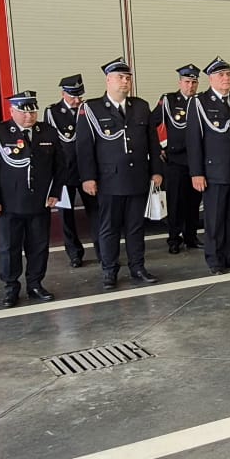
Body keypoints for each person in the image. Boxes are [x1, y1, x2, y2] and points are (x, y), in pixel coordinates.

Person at [77, 58, 162, 289]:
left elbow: (152, 142)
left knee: (136, 227)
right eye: (120, 77)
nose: (125, 82)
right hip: (109, 180)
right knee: (109, 228)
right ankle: (109, 270)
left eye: (128, 78)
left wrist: (156, 170)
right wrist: (88, 177)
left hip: (137, 178)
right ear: (108, 80)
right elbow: (84, 148)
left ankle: (138, 267)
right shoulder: (91, 109)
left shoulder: (140, 106)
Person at [0, 90, 63, 305]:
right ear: (12, 111)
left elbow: (60, 166)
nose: (29, 116)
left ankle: (35, 284)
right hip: (9, 204)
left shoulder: (48, 132)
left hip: (39, 201)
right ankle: (10, 287)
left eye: (32, 112)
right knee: (9, 247)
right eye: (23, 112)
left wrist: (55, 192)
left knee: (39, 246)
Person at [185, 57, 230, 274]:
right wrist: (196, 173)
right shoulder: (199, 102)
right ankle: (215, 260)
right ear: (211, 79)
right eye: (221, 75)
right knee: (215, 219)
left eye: (228, 74)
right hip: (214, 172)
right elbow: (194, 141)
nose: (226, 78)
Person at [154, 63, 203, 255]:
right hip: (174, 161)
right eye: (187, 82)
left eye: (194, 82)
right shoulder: (169, 100)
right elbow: (154, 123)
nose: (190, 86)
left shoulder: (200, 102)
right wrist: (160, 147)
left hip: (196, 160)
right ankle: (174, 239)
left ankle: (191, 236)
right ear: (180, 82)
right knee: (175, 202)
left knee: (194, 201)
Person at [46, 74, 93, 268]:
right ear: (63, 93)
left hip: (86, 170)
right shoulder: (53, 112)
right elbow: (52, 144)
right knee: (66, 215)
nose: (77, 100)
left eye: (79, 96)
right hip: (64, 172)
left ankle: (104, 251)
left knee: (96, 212)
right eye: (73, 96)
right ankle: (74, 253)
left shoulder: (86, 109)